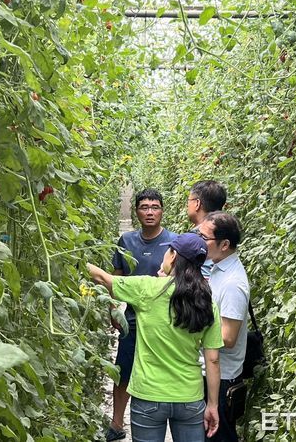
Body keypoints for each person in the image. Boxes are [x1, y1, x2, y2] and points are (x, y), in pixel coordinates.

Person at [88, 233, 223, 442]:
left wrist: (76, 260)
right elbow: (213, 360)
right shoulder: (206, 303)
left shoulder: (148, 289)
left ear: (173, 257)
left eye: (168, 251)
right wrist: (212, 404)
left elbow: (102, 278)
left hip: (148, 395)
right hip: (189, 397)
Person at [106, 189, 177, 441]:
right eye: (144, 207)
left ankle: (161, 420)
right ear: (136, 211)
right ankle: (116, 424)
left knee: (162, 370)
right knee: (123, 370)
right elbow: (117, 277)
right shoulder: (126, 241)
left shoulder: (173, 243)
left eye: (155, 207)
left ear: (162, 211)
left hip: (164, 323)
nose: (150, 212)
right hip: (133, 321)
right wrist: (113, 308)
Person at [196, 212, 250, 442]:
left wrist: (191, 331)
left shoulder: (233, 284)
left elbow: (227, 338)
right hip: (211, 374)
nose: (199, 243)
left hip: (221, 379)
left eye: (204, 238)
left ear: (225, 244)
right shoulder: (218, 269)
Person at [186, 181, 227, 279]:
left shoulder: (196, 237)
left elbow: (204, 276)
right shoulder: (226, 234)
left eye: (188, 201)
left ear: (197, 203)